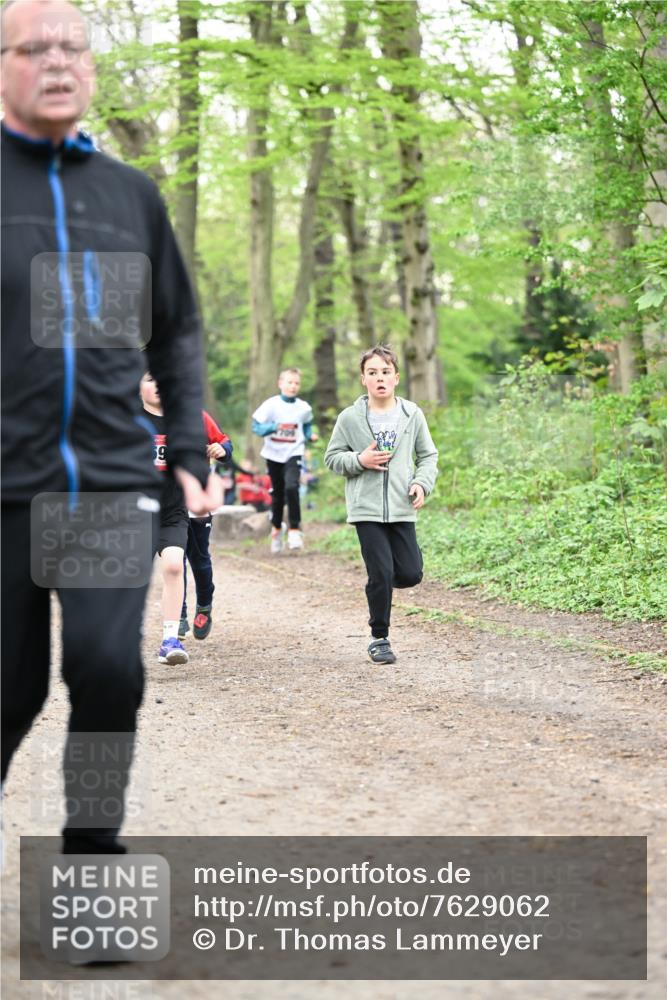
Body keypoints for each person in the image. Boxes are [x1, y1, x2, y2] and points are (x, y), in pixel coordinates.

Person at [0, 0, 222, 853]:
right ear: (5, 67)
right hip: (6, 490)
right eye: (34, 48)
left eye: (72, 48)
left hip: (105, 482)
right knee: (10, 691)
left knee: (107, 670)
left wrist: (190, 448)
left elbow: (176, 332)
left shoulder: (130, 196)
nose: (56, 62)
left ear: (91, 68)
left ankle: (91, 852)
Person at [324, 345, 438, 665]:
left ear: (396, 377)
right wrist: (359, 460)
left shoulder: (412, 414)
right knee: (381, 572)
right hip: (366, 508)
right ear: (363, 379)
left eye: (385, 372)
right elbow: (332, 458)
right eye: (372, 373)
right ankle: (379, 638)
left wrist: (421, 483)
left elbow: (428, 456)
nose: (380, 378)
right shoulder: (349, 418)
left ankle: (386, 577)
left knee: (411, 573)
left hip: (402, 506)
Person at [179, 410, 233, 642]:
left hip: (198, 500)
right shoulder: (148, 417)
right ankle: (178, 614)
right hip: (167, 501)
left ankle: (203, 605)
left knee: (199, 558)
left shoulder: (198, 416)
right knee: (175, 559)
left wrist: (222, 449)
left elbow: (224, 442)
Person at [252, 367, 318, 553]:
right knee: (278, 493)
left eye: (297, 383)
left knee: (292, 486)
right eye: (289, 382)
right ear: (280, 383)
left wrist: (309, 435)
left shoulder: (304, 407)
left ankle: (295, 530)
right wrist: (273, 427)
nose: (293, 386)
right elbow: (256, 427)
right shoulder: (270, 405)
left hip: (294, 452)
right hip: (273, 454)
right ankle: (276, 529)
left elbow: (307, 425)